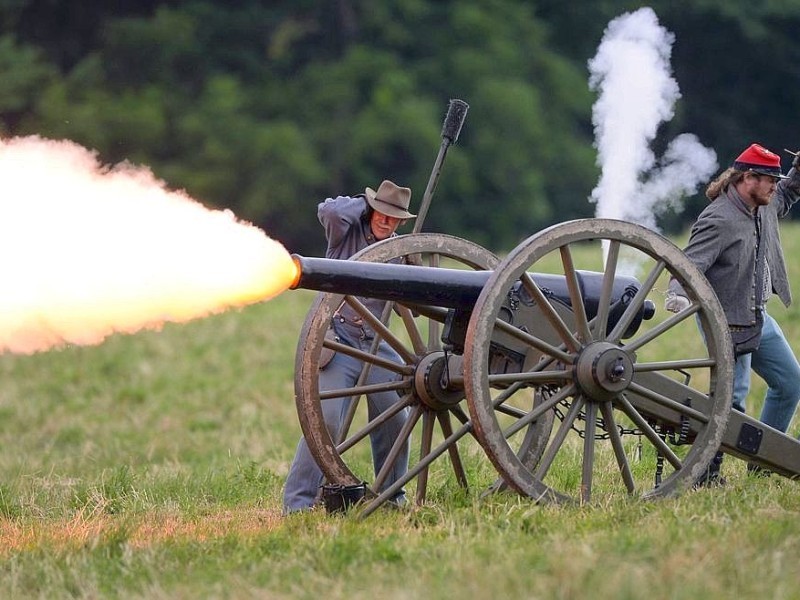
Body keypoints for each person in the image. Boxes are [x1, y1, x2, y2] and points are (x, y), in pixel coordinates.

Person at [666, 143, 800, 484]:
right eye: (769, 179)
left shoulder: (764, 204)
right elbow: (689, 264)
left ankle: (762, 461)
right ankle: (706, 474)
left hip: (757, 316)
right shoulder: (718, 218)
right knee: (732, 400)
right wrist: (677, 294)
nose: (774, 185)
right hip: (724, 321)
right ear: (747, 178)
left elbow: (789, 191)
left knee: (790, 383)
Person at [283, 179, 415, 513]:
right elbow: (327, 210)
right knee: (324, 420)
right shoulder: (345, 233)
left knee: (398, 418)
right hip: (339, 341)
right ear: (371, 210)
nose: (386, 220)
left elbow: (411, 307)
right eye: (381, 212)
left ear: (401, 221)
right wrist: (364, 203)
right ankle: (298, 503)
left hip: (377, 345)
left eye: (393, 216)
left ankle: (391, 498)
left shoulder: (401, 251)